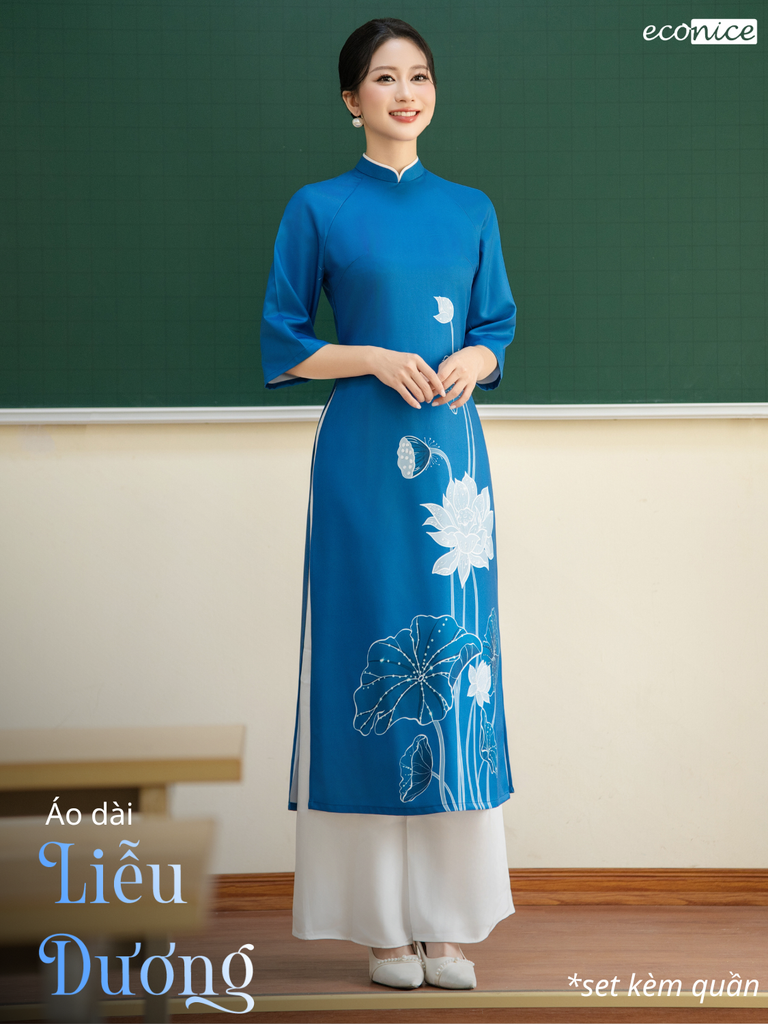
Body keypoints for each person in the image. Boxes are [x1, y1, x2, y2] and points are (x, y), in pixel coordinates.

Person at [261, 18, 517, 990]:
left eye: (418, 76)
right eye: (382, 78)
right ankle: (380, 926)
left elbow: (497, 322)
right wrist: (371, 355)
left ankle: (447, 922)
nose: (405, 93)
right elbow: (284, 338)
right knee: (364, 656)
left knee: (457, 665)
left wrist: (477, 357)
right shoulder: (318, 207)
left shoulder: (472, 208)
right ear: (350, 99)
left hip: (453, 466)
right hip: (363, 460)